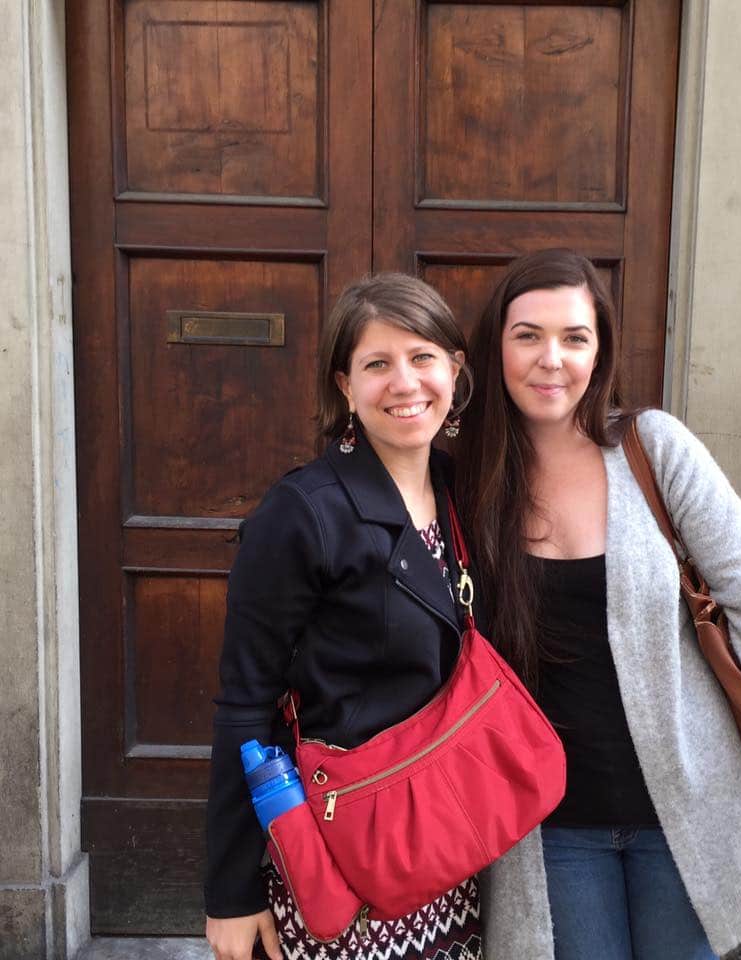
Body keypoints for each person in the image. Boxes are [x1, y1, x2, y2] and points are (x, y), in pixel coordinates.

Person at [457, 249, 741, 960]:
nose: (550, 358)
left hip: (687, 818)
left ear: (601, 350)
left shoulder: (654, 449)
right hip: (547, 828)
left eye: (574, 338)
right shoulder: (463, 476)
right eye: (527, 335)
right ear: (494, 346)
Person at [204, 274, 482, 960]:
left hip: (448, 856)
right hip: (336, 861)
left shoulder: (464, 493)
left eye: (422, 357)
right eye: (377, 364)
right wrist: (231, 893)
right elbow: (245, 704)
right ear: (345, 386)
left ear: (455, 369)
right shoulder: (302, 513)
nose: (404, 382)